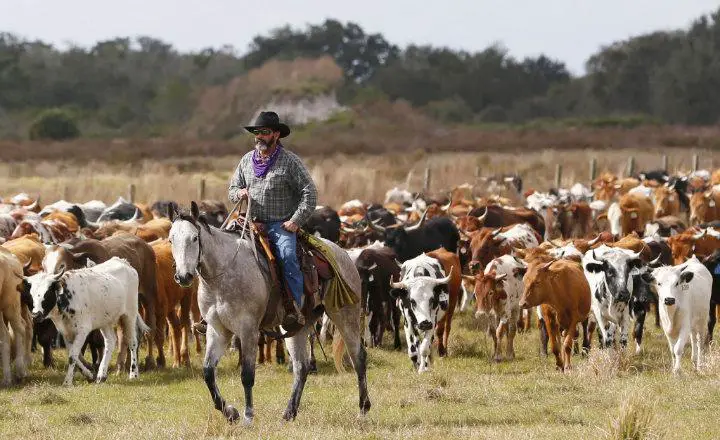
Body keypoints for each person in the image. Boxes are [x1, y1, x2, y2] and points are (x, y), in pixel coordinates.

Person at [228, 111, 318, 329]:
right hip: (248, 222)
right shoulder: (246, 161)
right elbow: (231, 190)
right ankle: (220, 309)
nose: (259, 136)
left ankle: (294, 308)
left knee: (287, 256)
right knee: (224, 251)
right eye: (257, 132)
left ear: (276, 135)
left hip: (280, 224)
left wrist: (296, 221)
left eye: (264, 132)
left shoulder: (290, 161)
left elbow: (310, 193)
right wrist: (239, 193)